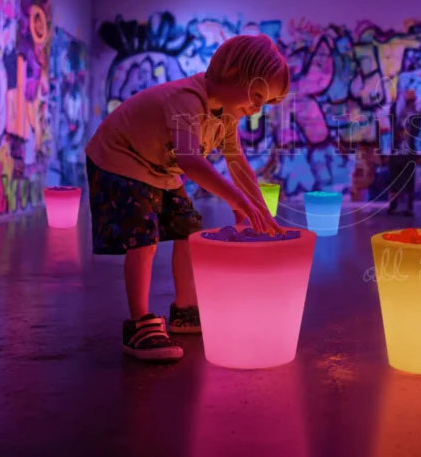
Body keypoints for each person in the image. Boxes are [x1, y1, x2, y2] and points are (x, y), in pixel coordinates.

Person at [84, 35, 287, 362]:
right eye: (258, 95)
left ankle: (185, 309)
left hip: (159, 168)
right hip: (119, 156)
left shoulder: (227, 115)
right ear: (234, 71)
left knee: (189, 229)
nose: (257, 108)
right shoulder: (188, 99)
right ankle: (139, 323)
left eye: (266, 102)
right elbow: (191, 160)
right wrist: (238, 201)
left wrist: (260, 211)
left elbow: (237, 162)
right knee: (143, 237)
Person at [387, 90, 421, 216]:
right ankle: (393, 204)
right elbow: (391, 121)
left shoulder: (416, 114)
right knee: (394, 179)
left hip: (408, 152)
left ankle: (409, 206)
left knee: (409, 180)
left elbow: (416, 131)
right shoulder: (398, 112)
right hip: (397, 151)